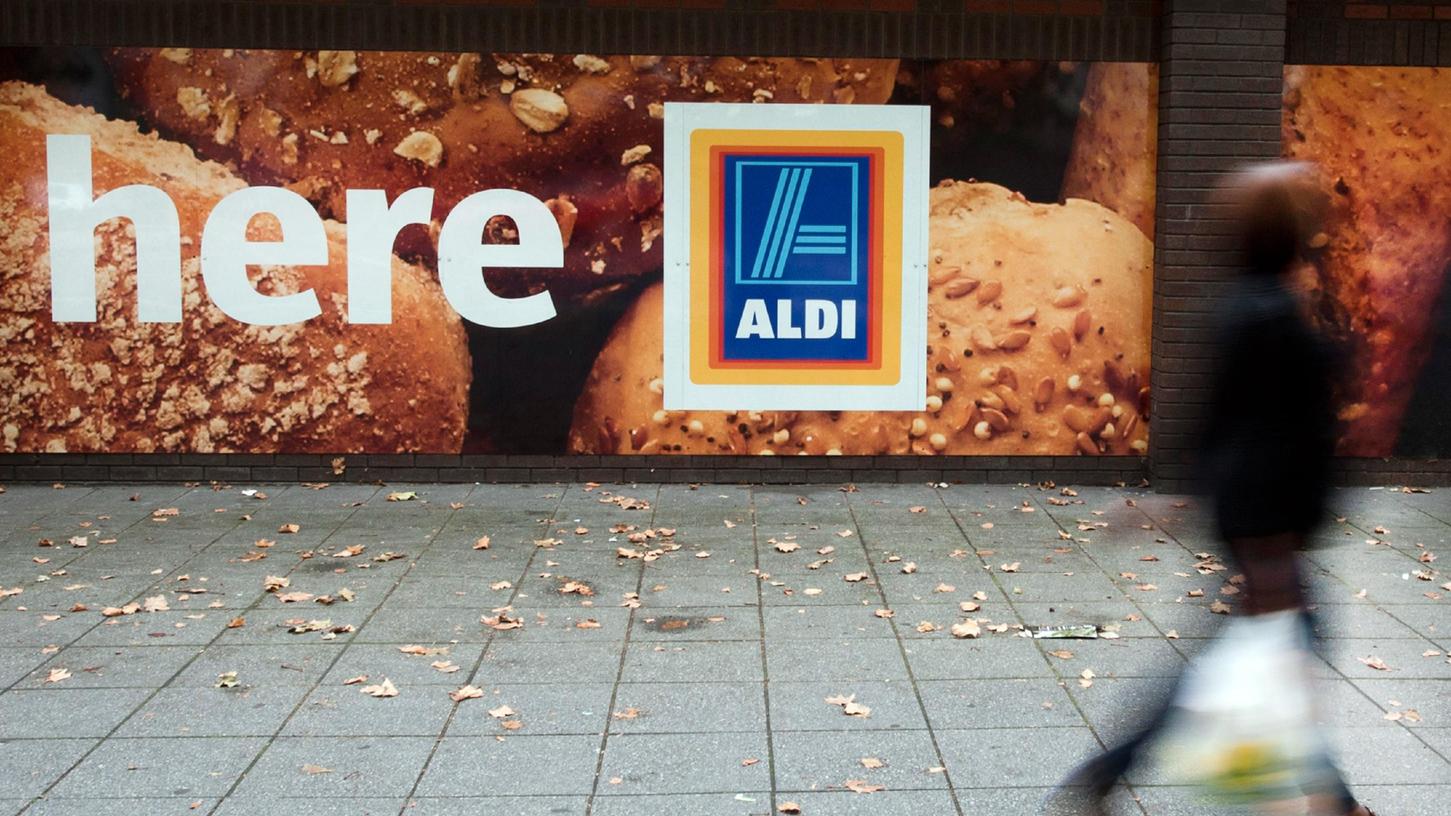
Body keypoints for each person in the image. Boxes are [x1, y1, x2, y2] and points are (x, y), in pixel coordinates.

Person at [1044, 163, 1375, 816]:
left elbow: (1216, 425)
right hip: (1269, 532)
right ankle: (1114, 770)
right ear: (1291, 240)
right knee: (1281, 653)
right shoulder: (1277, 322)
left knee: (1268, 655)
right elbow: (1287, 439)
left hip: (1252, 526)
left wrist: (1179, 503)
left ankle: (1112, 772)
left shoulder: (1237, 313)